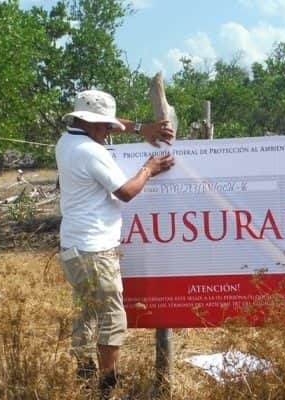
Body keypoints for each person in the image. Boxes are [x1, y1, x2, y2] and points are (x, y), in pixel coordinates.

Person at [56, 89, 174, 395]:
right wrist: (149, 169)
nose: (110, 132)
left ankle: (84, 379)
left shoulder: (68, 141)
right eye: (106, 127)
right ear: (94, 125)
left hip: (74, 247)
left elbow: (107, 124)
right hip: (95, 250)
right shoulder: (91, 152)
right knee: (111, 317)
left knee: (86, 312)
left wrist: (138, 128)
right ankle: (106, 386)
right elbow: (125, 191)